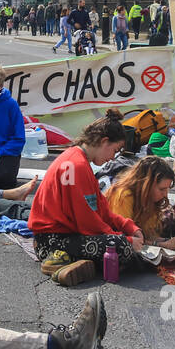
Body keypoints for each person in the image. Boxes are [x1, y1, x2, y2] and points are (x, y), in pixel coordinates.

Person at [27, 109, 145, 286]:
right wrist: (125, 239)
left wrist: (129, 226)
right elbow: (87, 221)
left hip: (64, 235)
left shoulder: (81, 161)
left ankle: (72, 263)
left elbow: (101, 209)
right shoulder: (77, 165)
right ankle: (60, 259)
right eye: (114, 150)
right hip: (52, 241)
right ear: (104, 142)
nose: (112, 157)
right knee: (121, 248)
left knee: (122, 246)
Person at [105, 157, 175, 255]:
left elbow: (148, 235)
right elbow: (126, 239)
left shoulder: (149, 199)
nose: (165, 195)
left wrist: (173, 241)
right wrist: (165, 244)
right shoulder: (124, 195)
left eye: (167, 189)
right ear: (146, 185)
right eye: (162, 189)